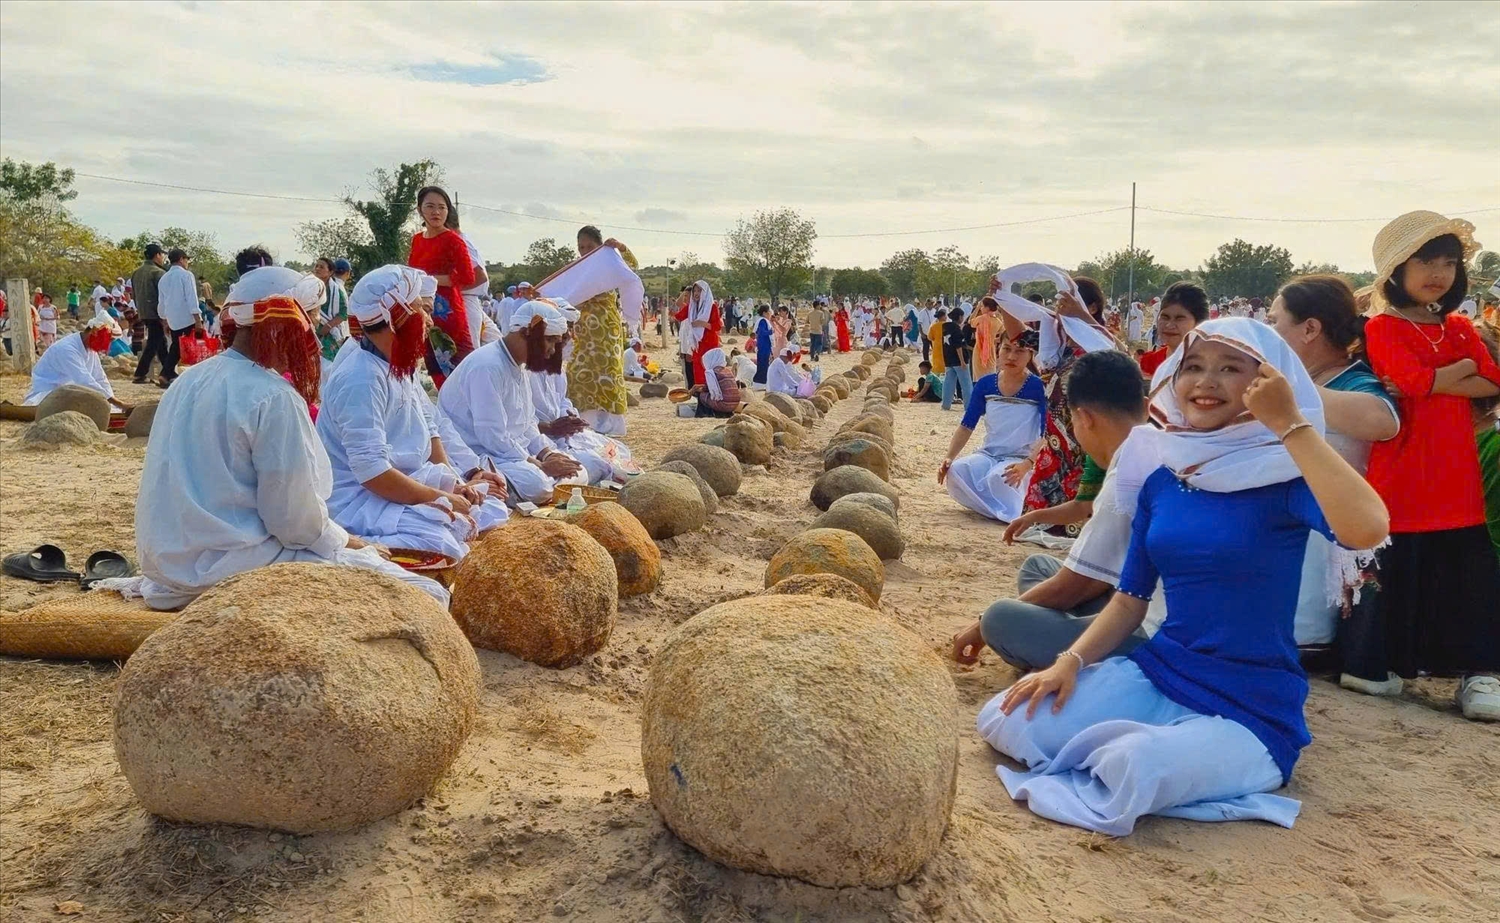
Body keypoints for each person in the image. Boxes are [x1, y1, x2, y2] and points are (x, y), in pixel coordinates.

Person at [979, 318, 1389, 835]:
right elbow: (1128, 601)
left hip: (1251, 703)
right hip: (1162, 671)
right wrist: (1067, 663)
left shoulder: (1284, 478)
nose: (1206, 382)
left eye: (1230, 368)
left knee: (1134, 766)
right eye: (1192, 367)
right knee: (1007, 718)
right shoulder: (1164, 480)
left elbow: (1368, 527)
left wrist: (1292, 425)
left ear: (1267, 382)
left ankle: (1192, 753)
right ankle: (1165, 744)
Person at [130, 265, 448, 610]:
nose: (311, 334)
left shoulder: (189, 380)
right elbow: (293, 524)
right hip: (234, 566)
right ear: (282, 324)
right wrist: (348, 542)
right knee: (426, 594)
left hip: (171, 568)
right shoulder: (273, 396)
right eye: (308, 320)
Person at [1346, 211, 1500, 720]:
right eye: (1424, 260)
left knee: (1466, 573)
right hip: (1402, 472)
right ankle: (1380, 664)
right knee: (1397, 563)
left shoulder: (1457, 324)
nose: (1438, 272)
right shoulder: (1383, 327)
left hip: (1456, 477)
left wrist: (1437, 379)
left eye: (1448, 262)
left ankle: (1477, 673)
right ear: (1396, 268)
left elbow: (1494, 381)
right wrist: (1457, 371)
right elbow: (1411, 381)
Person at [951, 350, 1153, 670]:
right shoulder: (1158, 446)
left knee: (999, 618)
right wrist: (1035, 516)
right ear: (1147, 407)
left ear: (1082, 418)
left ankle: (1070, 657)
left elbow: (1074, 585)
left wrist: (979, 626)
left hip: (1148, 634)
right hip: (1132, 598)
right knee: (1038, 567)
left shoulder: (1124, 480)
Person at [317, 265, 508, 562]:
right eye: (421, 308)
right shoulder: (361, 377)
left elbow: (429, 429)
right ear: (398, 318)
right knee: (442, 542)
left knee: (489, 510)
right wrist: (442, 498)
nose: (429, 319)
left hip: (408, 480)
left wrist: (455, 483)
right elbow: (372, 475)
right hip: (359, 497)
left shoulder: (396, 362)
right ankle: (358, 545)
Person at [1267, 275, 1401, 661]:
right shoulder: (1303, 380)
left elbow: (1383, 421)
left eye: (1276, 322)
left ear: (1310, 329)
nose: (1269, 331)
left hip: (1321, 540)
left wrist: (1288, 393)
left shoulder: (1355, 381)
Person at [437, 301, 586, 505]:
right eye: (550, 340)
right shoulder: (487, 366)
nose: (552, 350)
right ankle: (487, 485)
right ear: (526, 332)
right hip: (477, 452)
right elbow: (492, 435)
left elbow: (527, 423)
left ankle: (538, 481)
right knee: (537, 485)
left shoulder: (519, 366)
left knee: (579, 469)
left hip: (511, 453)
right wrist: (538, 464)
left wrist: (547, 454)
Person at [938, 330, 1046, 520]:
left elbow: (1048, 433)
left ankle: (1012, 510)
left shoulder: (1040, 387)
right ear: (998, 349)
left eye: (1019, 351)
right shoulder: (985, 384)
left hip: (1020, 457)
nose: (1011, 356)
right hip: (988, 454)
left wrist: (1027, 464)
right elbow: (967, 425)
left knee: (999, 478)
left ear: (1031, 355)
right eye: (1006, 349)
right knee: (957, 471)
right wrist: (949, 458)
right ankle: (998, 509)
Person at [531, 300, 639, 484]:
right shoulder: (524, 368)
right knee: (587, 468)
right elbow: (517, 425)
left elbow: (562, 400)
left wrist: (571, 417)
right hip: (538, 442)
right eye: (564, 332)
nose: (569, 337)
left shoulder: (556, 367)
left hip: (561, 436)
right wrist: (549, 427)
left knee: (619, 451)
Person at [567, 226, 638, 435]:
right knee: (579, 372)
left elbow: (632, 266)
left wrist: (620, 247)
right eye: (581, 247)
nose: (585, 251)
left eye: (590, 246)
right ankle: (585, 424)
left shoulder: (609, 262)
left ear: (599, 245)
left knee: (607, 373)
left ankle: (610, 426)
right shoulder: (576, 269)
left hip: (607, 329)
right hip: (584, 328)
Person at [407, 186, 475, 387]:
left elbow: (467, 276)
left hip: (449, 312)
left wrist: (430, 281)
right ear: (420, 210)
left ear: (448, 211)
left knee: (460, 366)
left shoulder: (453, 240)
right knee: (434, 367)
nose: (436, 212)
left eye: (441, 207)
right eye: (430, 206)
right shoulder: (417, 240)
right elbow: (411, 272)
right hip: (425, 313)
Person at [24, 315, 124, 406]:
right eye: (108, 339)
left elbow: (100, 378)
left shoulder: (90, 349)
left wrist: (113, 405)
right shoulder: (67, 349)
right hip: (47, 394)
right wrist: (117, 403)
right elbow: (85, 381)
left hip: (68, 391)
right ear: (93, 332)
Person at [1138, 282, 1208, 377]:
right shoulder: (1149, 363)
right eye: (1165, 317)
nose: (1169, 325)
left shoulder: (1213, 366)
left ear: (1199, 323)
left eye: (1179, 318)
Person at [157, 248, 200, 385]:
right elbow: (191, 298)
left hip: (173, 318)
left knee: (177, 346)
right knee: (185, 347)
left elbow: (161, 302)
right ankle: (166, 373)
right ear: (182, 259)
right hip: (187, 317)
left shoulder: (164, 278)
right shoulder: (186, 275)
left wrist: (164, 320)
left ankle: (167, 373)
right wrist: (198, 319)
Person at [131, 243, 169, 384]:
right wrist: (164, 315)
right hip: (156, 312)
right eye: (161, 255)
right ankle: (140, 373)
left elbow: (133, 294)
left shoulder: (137, 272)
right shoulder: (158, 273)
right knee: (154, 342)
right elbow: (163, 296)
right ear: (157, 255)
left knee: (159, 342)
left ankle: (167, 371)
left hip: (143, 311)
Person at [673, 278, 719, 388]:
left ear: (705, 292)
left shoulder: (712, 307)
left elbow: (717, 326)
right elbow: (678, 316)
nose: (696, 293)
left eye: (699, 291)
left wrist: (702, 324)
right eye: (695, 291)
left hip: (709, 343)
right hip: (697, 345)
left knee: (708, 371)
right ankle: (700, 399)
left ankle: (710, 397)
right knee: (697, 371)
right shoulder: (692, 307)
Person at [692, 347, 743, 417]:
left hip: (725, 404)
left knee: (701, 395)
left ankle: (704, 414)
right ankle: (726, 412)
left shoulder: (712, 372)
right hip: (735, 404)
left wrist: (694, 390)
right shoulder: (727, 370)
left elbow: (708, 389)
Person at [939, 307, 972, 410]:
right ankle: (969, 405)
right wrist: (962, 361)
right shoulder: (956, 329)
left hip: (948, 359)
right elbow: (959, 346)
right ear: (960, 317)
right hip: (959, 360)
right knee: (966, 384)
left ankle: (946, 404)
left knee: (948, 383)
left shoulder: (945, 328)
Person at [968, 296, 1005, 380]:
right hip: (991, 350)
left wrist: (976, 308)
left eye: (982, 306)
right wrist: (991, 340)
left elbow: (970, 321)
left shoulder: (981, 319)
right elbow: (1003, 334)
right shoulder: (997, 321)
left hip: (979, 350)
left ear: (987, 308)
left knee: (978, 378)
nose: (981, 308)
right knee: (991, 375)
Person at [752, 304, 773, 388]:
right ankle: (761, 382)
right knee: (763, 364)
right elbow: (762, 332)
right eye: (769, 312)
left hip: (764, 345)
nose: (770, 314)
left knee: (763, 363)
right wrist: (771, 332)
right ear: (764, 313)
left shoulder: (762, 320)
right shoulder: (763, 321)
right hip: (763, 345)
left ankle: (761, 382)